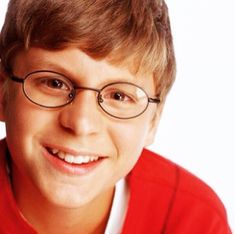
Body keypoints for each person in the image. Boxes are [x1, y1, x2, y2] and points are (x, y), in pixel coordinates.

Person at [0, 0, 231, 233]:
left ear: (153, 121)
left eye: (119, 96)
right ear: (2, 93)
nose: (81, 123)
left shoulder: (194, 219)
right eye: (54, 83)